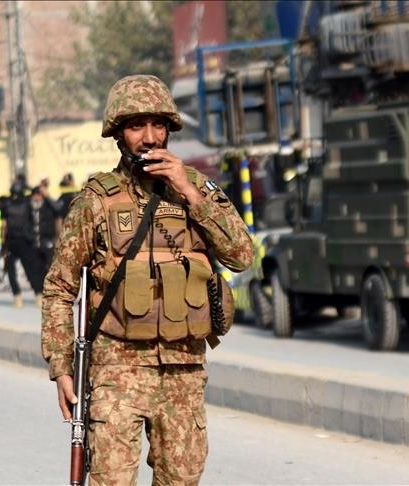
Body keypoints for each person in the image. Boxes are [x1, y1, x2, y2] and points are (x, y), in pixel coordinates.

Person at [41, 75, 253, 485]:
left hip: (183, 371)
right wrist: (61, 367)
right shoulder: (97, 201)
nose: (150, 137)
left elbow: (242, 255)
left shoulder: (195, 191)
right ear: (119, 134)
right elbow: (60, 288)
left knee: (182, 479)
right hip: (116, 369)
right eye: (137, 126)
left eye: (158, 125)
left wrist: (190, 194)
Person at [1, 181, 38, 308]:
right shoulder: (28, 204)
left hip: (11, 240)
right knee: (30, 269)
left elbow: (3, 226)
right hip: (25, 240)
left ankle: (18, 297)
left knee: (11, 270)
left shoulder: (5, 204)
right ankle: (38, 294)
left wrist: (3, 244)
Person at [28, 185, 60, 299]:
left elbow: (57, 208)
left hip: (47, 241)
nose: (36, 198)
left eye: (39, 195)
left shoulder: (47, 206)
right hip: (33, 243)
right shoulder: (29, 207)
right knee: (36, 269)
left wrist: (47, 196)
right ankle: (39, 292)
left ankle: (51, 291)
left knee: (50, 268)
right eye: (35, 195)